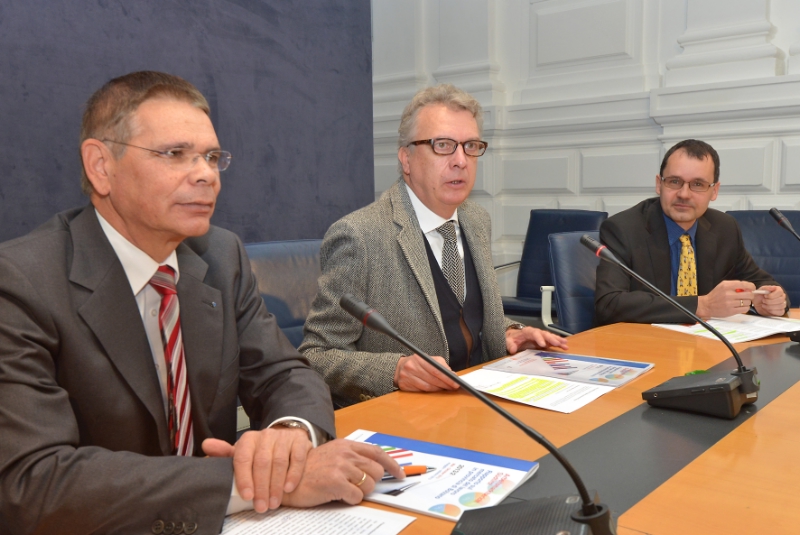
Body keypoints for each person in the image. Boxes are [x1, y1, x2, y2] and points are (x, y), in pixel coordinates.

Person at [0, 71, 402, 535]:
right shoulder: (21, 282)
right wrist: (250, 483)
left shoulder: (220, 256)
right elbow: (34, 482)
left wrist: (290, 435)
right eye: (174, 154)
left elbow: (284, 373)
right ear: (101, 166)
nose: (206, 175)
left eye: (212, 157)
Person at [300, 84, 567, 408]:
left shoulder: (476, 220)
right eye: (443, 145)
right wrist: (395, 371)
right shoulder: (360, 236)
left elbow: (467, 318)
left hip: (482, 404)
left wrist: (510, 333)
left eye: (471, 146)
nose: (461, 161)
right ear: (406, 158)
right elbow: (317, 355)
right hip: (409, 418)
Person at [595, 138, 789, 325]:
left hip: (706, 341)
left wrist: (771, 300)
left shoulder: (725, 228)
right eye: (674, 181)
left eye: (698, 184)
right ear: (659, 184)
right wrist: (701, 306)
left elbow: (760, 281)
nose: (684, 194)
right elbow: (609, 303)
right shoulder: (623, 229)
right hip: (646, 341)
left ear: (714, 191)